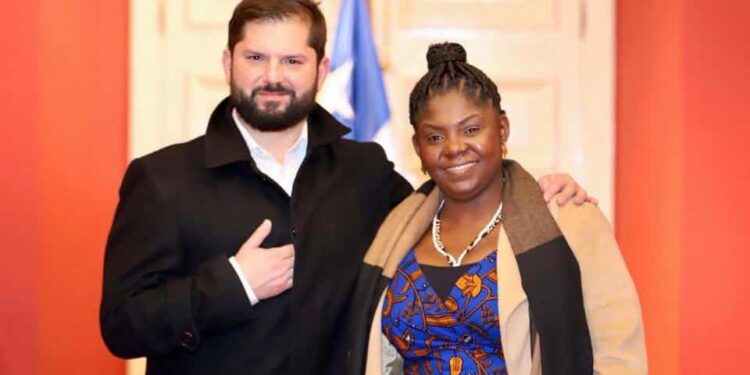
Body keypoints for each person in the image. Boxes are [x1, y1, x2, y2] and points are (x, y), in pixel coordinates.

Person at [100, 2, 593, 374]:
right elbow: (122, 326)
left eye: (293, 61)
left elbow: (451, 207)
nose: (273, 77)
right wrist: (234, 285)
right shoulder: (161, 180)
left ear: (322, 69)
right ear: (228, 63)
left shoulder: (365, 171)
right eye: (256, 57)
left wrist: (528, 189)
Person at [347, 42, 647, 375]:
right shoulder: (395, 233)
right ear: (418, 147)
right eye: (435, 138)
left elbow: (620, 356)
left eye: (471, 130)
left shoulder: (568, 219)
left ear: (502, 130)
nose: (455, 148)